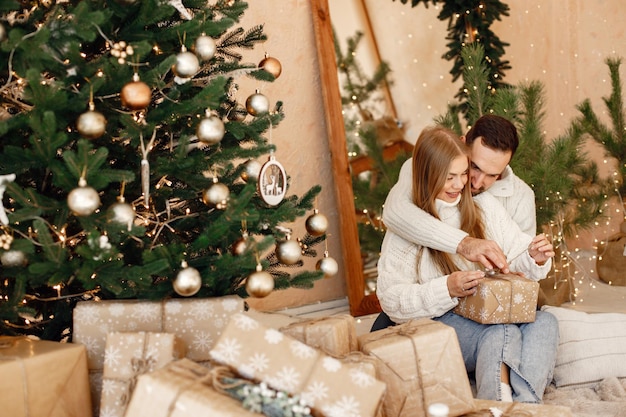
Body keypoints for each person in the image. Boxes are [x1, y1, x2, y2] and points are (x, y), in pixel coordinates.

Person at [376, 125, 558, 403]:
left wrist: (534, 255)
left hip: (479, 314)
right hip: (435, 322)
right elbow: (391, 300)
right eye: (451, 176)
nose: (463, 184)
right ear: (428, 174)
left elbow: (515, 251)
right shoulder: (407, 223)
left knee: (545, 322)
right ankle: (496, 405)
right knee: (500, 332)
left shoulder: (482, 205)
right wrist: (447, 288)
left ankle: (526, 406)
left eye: (463, 174)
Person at [382, 114, 535, 273]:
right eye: (474, 167)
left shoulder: (521, 197)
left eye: (492, 175)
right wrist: (464, 244)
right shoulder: (425, 168)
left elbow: (524, 265)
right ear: (462, 144)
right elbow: (394, 212)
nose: (476, 183)